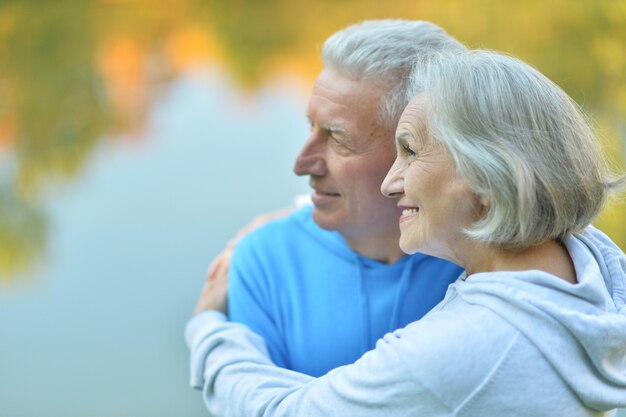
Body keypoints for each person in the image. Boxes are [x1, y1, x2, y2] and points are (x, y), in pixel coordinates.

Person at [187, 50, 626, 416]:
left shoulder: (456, 353)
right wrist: (311, 215)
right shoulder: (591, 264)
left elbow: (282, 411)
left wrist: (208, 328)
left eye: (411, 151)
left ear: (490, 179)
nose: (389, 182)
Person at [200, 19, 466, 377]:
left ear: (418, 149)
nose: (301, 164)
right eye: (311, 126)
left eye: (338, 139)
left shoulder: (490, 255)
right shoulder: (264, 261)